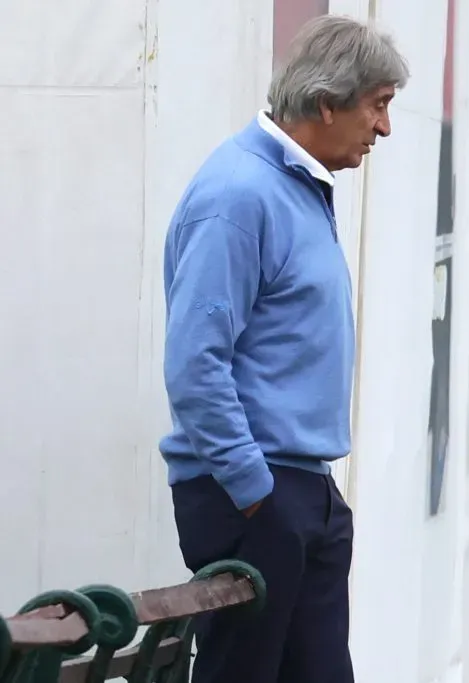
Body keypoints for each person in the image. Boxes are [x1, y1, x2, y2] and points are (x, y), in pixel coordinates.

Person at [158, 15, 409, 683]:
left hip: (303, 487)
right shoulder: (239, 194)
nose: (384, 128)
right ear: (327, 102)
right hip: (253, 489)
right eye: (377, 106)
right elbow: (194, 364)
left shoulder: (294, 188)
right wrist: (255, 493)